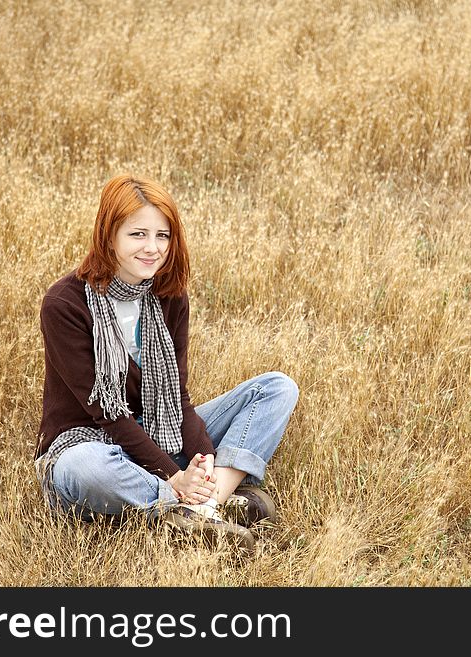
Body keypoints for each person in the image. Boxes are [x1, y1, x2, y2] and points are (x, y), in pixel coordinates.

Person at [33, 174, 299, 552]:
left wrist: (202, 461)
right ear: (109, 234)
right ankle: (195, 503)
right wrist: (174, 475)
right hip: (90, 440)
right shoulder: (65, 304)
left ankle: (205, 504)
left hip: (162, 430)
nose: (152, 249)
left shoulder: (169, 296)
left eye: (163, 235)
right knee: (85, 469)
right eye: (137, 234)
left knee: (276, 388)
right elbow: (106, 415)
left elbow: (179, 397)